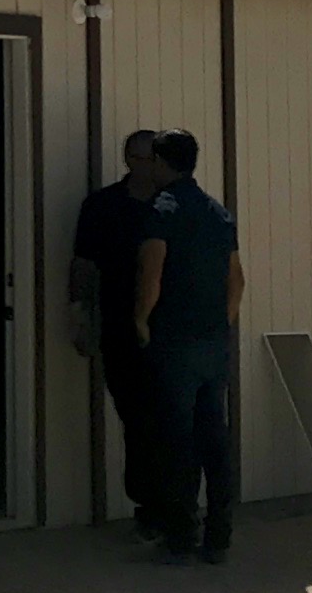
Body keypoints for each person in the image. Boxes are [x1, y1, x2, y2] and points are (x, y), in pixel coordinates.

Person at [128, 128, 243, 564]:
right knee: (214, 439)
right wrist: (222, 321)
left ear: (161, 162)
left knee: (175, 441)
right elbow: (237, 279)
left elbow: (152, 274)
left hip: (174, 342)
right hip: (213, 341)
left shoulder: (163, 209)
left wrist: (141, 320)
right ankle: (219, 535)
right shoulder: (218, 213)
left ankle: (180, 535)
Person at [66, 128, 171, 538]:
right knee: (135, 416)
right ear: (130, 160)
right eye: (146, 158)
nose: (153, 166)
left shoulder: (174, 207)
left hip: (169, 329)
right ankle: (148, 501)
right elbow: (83, 264)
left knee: (169, 418)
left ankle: (170, 505)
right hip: (119, 327)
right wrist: (79, 316)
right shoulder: (101, 207)